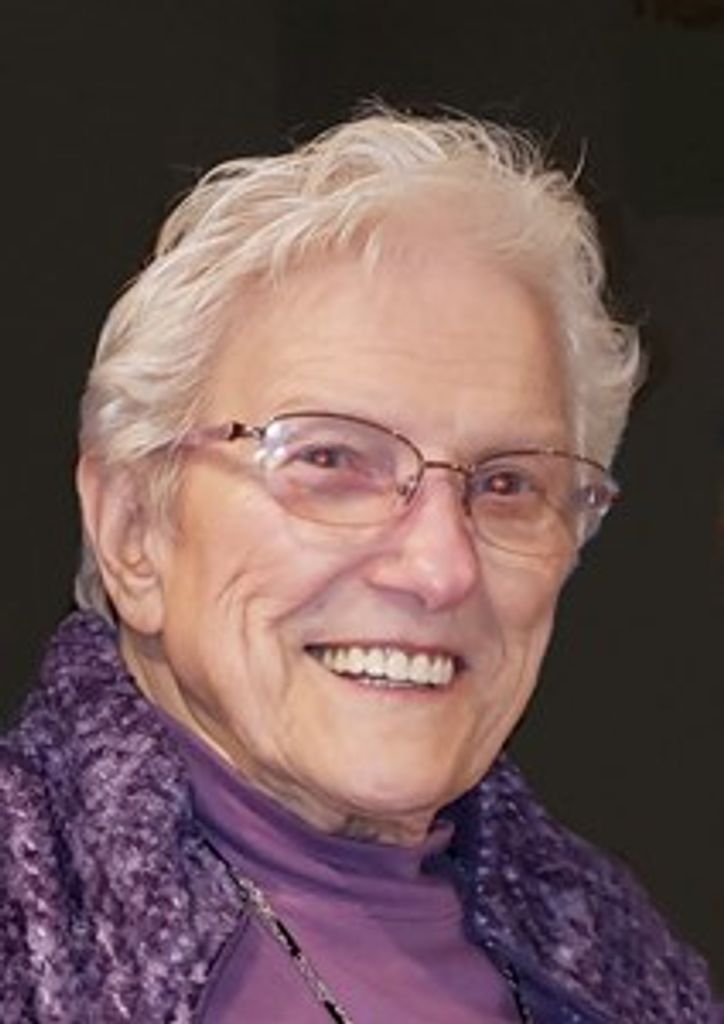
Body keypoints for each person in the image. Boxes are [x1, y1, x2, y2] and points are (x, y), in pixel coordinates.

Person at [0, 108, 719, 1024]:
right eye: (331, 460)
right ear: (133, 527)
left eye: (506, 483)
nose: (439, 568)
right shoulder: (27, 917)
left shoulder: (626, 960)